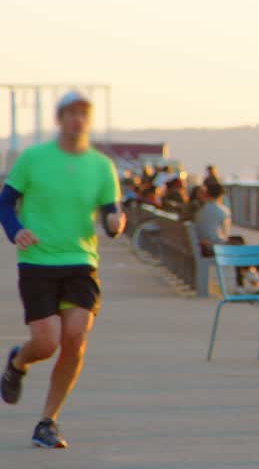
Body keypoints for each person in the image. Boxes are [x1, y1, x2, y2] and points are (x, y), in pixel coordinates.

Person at [0, 90, 126, 449]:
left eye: (83, 113)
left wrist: (116, 222)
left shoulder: (101, 166)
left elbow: (111, 214)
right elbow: (5, 203)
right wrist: (15, 230)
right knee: (46, 342)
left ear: (89, 120)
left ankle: (48, 421)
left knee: (75, 338)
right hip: (38, 260)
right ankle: (18, 362)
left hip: (80, 262)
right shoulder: (33, 159)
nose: (77, 120)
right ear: (60, 119)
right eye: (70, 113)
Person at [192, 184, 255, 290]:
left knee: (239, 241)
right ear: (221, 196)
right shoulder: (221, 210)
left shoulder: (201, 210)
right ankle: (249, 276)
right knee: (241, 248)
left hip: (203, 245)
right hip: (211, 247)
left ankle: (248, 276)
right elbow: (224, 234)